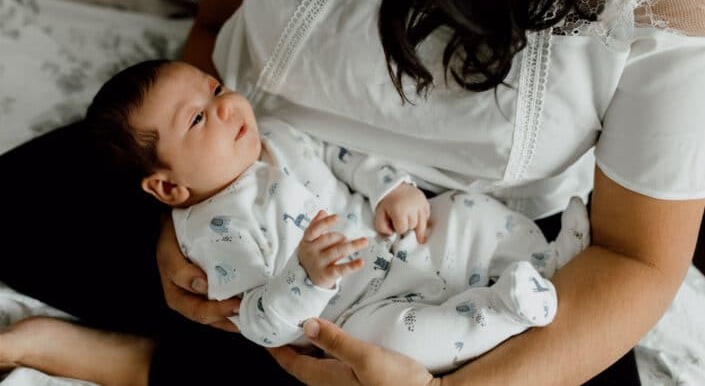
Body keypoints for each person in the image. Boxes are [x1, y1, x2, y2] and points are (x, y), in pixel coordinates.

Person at [1, 0, 704, 385]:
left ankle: (146, 362)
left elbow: (639, 257)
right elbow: (215, 27)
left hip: (476, 247)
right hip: (251, 187)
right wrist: (192, 206)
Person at [80, 59, 585, 374]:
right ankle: (502, 310)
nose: (227, 108)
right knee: (405, 341)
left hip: (399, 239)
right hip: (357, 310)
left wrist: (390, 187)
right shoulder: (214, 236)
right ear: (168, 187)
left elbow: (345, 155)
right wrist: (309, 277)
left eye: (214, 91)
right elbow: (258, 322)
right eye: (196, 119)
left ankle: (548, 258)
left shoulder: (274, 133)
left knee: (468, 213)